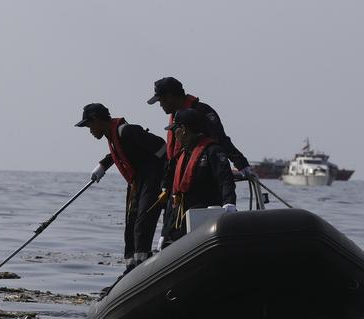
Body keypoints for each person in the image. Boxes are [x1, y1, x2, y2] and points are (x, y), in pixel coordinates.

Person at [146, 77, 249, 247]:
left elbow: (222, 144)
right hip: (180, 193)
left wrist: (242, 165)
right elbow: (172, 160)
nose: (160, 105)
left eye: (161, 100)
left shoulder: (203, 115)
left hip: (203, 186)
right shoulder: (181, 141)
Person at [74, 103, 166, 273]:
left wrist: (166, 178)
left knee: (142, 223)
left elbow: (162, 147)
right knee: (130, 226)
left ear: (96, 120)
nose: (90, 130)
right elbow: (118, 151)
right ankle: (131, 268)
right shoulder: (113, 135)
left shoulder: (127, 131)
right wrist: (103, 165)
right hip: (136, 182)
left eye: (89, 125)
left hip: (153, 179)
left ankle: (142, 268)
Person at [164, 108, 237, 243]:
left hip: (203, 216)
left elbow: (226, 179)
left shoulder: (212, 151)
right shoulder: (182, 155)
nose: (174, 134)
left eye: (175, 130)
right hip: (181, 216)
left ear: (184, 129)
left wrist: (229, 203)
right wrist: (165, 231)